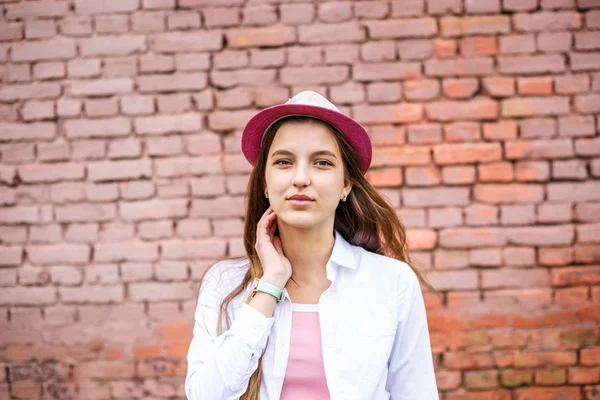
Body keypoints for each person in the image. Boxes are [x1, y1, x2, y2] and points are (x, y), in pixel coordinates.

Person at [184, 91, 439, 400]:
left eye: (321, 163)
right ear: (265, 182)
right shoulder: (223, 283)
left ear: (346, 184)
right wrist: (269, 285)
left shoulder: (392, 282)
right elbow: (205, 395)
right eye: (283, 162)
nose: (301, 178)